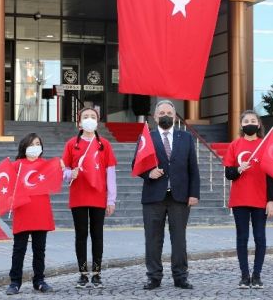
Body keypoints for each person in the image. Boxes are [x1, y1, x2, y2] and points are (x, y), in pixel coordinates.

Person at [132, 100, 200, 290]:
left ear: (175, 115)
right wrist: (148, 173)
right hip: (153, 197)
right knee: (153, 239)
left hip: (180, 197)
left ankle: (181, 277)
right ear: (155, 117)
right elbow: (135, 165)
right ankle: (153, 277)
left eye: (169, 112)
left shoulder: (186, 138)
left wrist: (194, 193)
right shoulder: (147, 137)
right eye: (161, 112)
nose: (165, 115)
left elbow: (193, 168)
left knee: (179, 240)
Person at [62, 107, 117, 289]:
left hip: (98, 195)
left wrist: (111, 199)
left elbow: (111, 173)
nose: (89, 119)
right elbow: (64, 171)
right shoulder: (71, 144)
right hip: (78, 195)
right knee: (81, 235)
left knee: (97, 235)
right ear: (79, 122)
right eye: (85, 116)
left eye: (92, 117)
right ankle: (83, 273)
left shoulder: (104, 145)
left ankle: (97, 273)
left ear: (97, 121)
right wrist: (71, 174)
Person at [223, 110, 273, 289]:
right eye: (246, 121)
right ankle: (244, 276)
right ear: (241, 125)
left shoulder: (265, 145)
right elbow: (228, 174)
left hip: (260, 199)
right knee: (242, 238)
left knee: (260, 238)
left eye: (253, 120)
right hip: (240, 199)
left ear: (259, 124)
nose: (250, 123)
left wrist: (272, 200)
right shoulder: (234, 145)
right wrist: (239, 169)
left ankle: (257, 275)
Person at [6, 133, 54, 295]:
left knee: (39, 249)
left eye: (38, 143)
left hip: (41, 212)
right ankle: (15, 282)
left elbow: (59, 177)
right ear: (25, 146)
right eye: (32, 144)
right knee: (19, 249)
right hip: (23, 212)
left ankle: (39, 280)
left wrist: (64, 168)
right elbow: (5, 185)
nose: (35, 146)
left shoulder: (46, 165)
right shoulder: (16, 166)